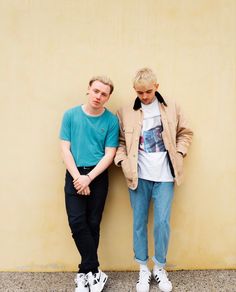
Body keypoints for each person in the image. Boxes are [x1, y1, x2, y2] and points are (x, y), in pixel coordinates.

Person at [114, 68, 193, 292]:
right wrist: (122, 162)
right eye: (140, 92)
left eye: (148, 91)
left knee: (161, 223)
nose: (144, 96)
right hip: (137, 177)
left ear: (156, 87)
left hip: (166, 176)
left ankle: (159, 267)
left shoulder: (171, 107)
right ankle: (143, 269)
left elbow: (185, 133)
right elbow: (120, 141)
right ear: (134, 90)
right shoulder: (125, 111)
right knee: (139, 224)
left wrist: (179, 153)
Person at [59, 76, 119, 292]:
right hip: (74, 173)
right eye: (96, 91)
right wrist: (78, 177)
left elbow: (109, 154)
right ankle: (94, 271)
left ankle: (85, 273)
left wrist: (89, 178)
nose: (98, 96)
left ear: (108, 97)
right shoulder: (71, 115)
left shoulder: (111, 121)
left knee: (93, 223)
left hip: (98, 176)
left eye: (104, 94)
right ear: (88, 90)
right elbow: (65, 149)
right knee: (77, 222)